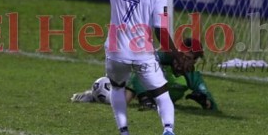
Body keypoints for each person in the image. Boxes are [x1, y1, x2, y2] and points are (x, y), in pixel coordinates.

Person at [89, 0, 188, 135]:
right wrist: (177, 55)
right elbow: (161, 31)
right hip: (143, 53)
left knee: (117, 88)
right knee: (162, 94)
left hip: (116, 50)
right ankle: (168, 130)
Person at [71, 38, 218, 112]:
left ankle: (99, 93)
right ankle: (96, 94)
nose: (183, 61)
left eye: (189, 59)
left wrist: (204, 101)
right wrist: (144, 97)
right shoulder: (164, 58)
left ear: (194, 62)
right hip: (136, 84)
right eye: (182, 56)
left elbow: (213, 106)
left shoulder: (193, 78)